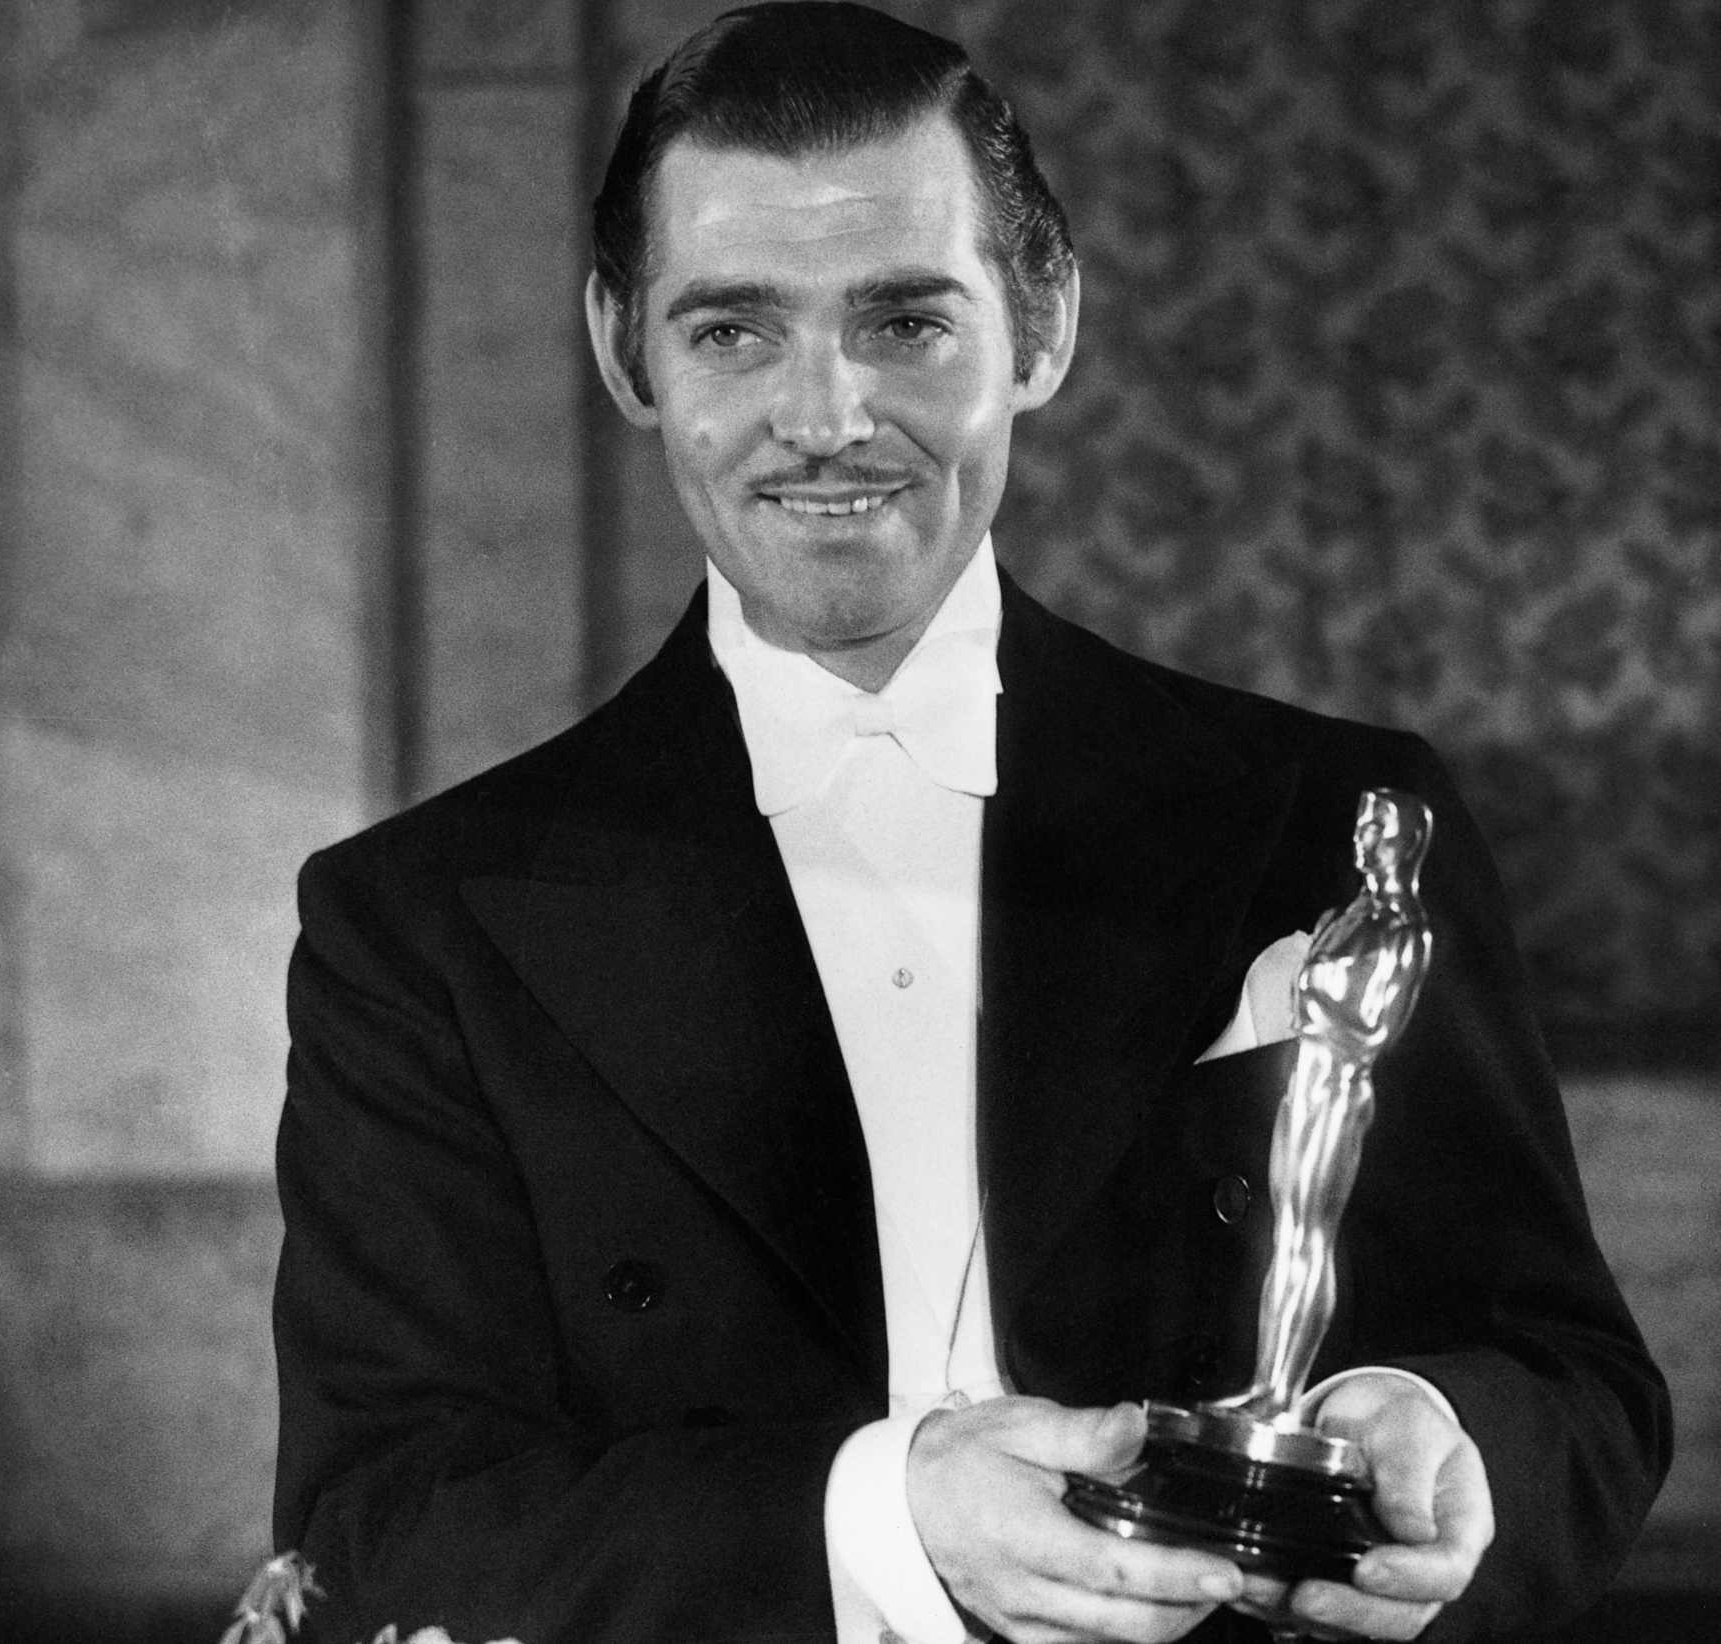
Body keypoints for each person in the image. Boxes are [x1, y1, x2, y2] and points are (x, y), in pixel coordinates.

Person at [272, 7, 1668, 1643]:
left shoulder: (1337, 820)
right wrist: (888, 1520)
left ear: (1045, 323)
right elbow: (380, 1529)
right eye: (732, 331)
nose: (826, 415)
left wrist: (1450, 1447)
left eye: (905, 321)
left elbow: (1576, 1387)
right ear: (620, 350)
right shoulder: (420, 922)